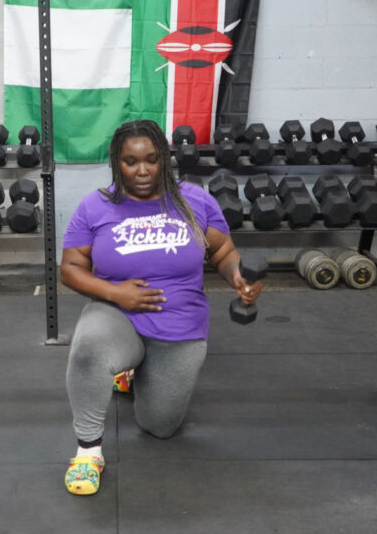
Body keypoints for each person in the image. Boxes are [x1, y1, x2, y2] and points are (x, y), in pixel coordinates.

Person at [60, 120, 262, 495]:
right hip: (117, 313)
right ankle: (88, 452)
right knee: (88, 352)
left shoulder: (195, 200)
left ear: (165, 160)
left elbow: (222, 251)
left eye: (152, 160)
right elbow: (70, 269)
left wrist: (237, 277)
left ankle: (131, 375)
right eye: (131, 161)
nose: (142, 170)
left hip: (179, 323)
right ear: (116, 162)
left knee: (160, 426)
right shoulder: (96, 206)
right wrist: (116, 293)